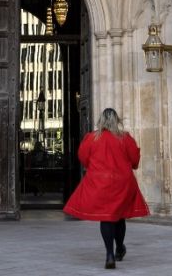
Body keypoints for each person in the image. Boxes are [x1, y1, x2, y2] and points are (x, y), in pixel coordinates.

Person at [63, 108, 149, 270]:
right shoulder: (125, 138)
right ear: (117, 120)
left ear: (101, 120)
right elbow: (134, 160)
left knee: (106, 217)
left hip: (101, 183)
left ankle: (110, 254)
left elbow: (83, 158)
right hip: (122, 183)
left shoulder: (91, 138)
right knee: (120, 216)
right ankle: (120, 247)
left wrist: (95, 167)